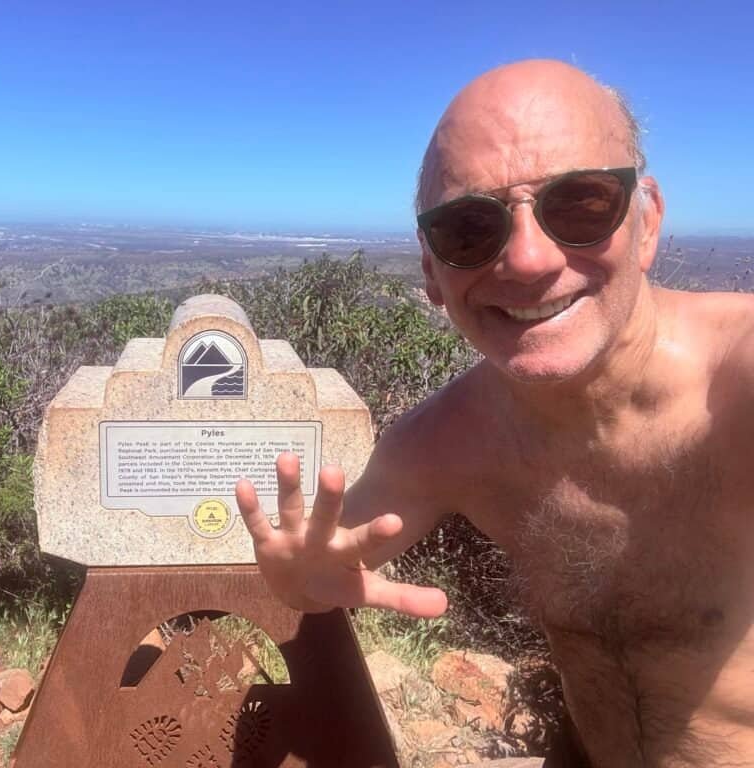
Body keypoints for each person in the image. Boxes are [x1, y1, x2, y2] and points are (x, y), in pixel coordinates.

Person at [235, 59, 754, 767]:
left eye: (579, 204)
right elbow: (319, 570)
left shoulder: (737, 389)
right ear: (432, 274)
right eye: (469, 228)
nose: (529, 259)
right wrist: (298, 583)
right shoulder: (447, 443)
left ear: (648, 221)